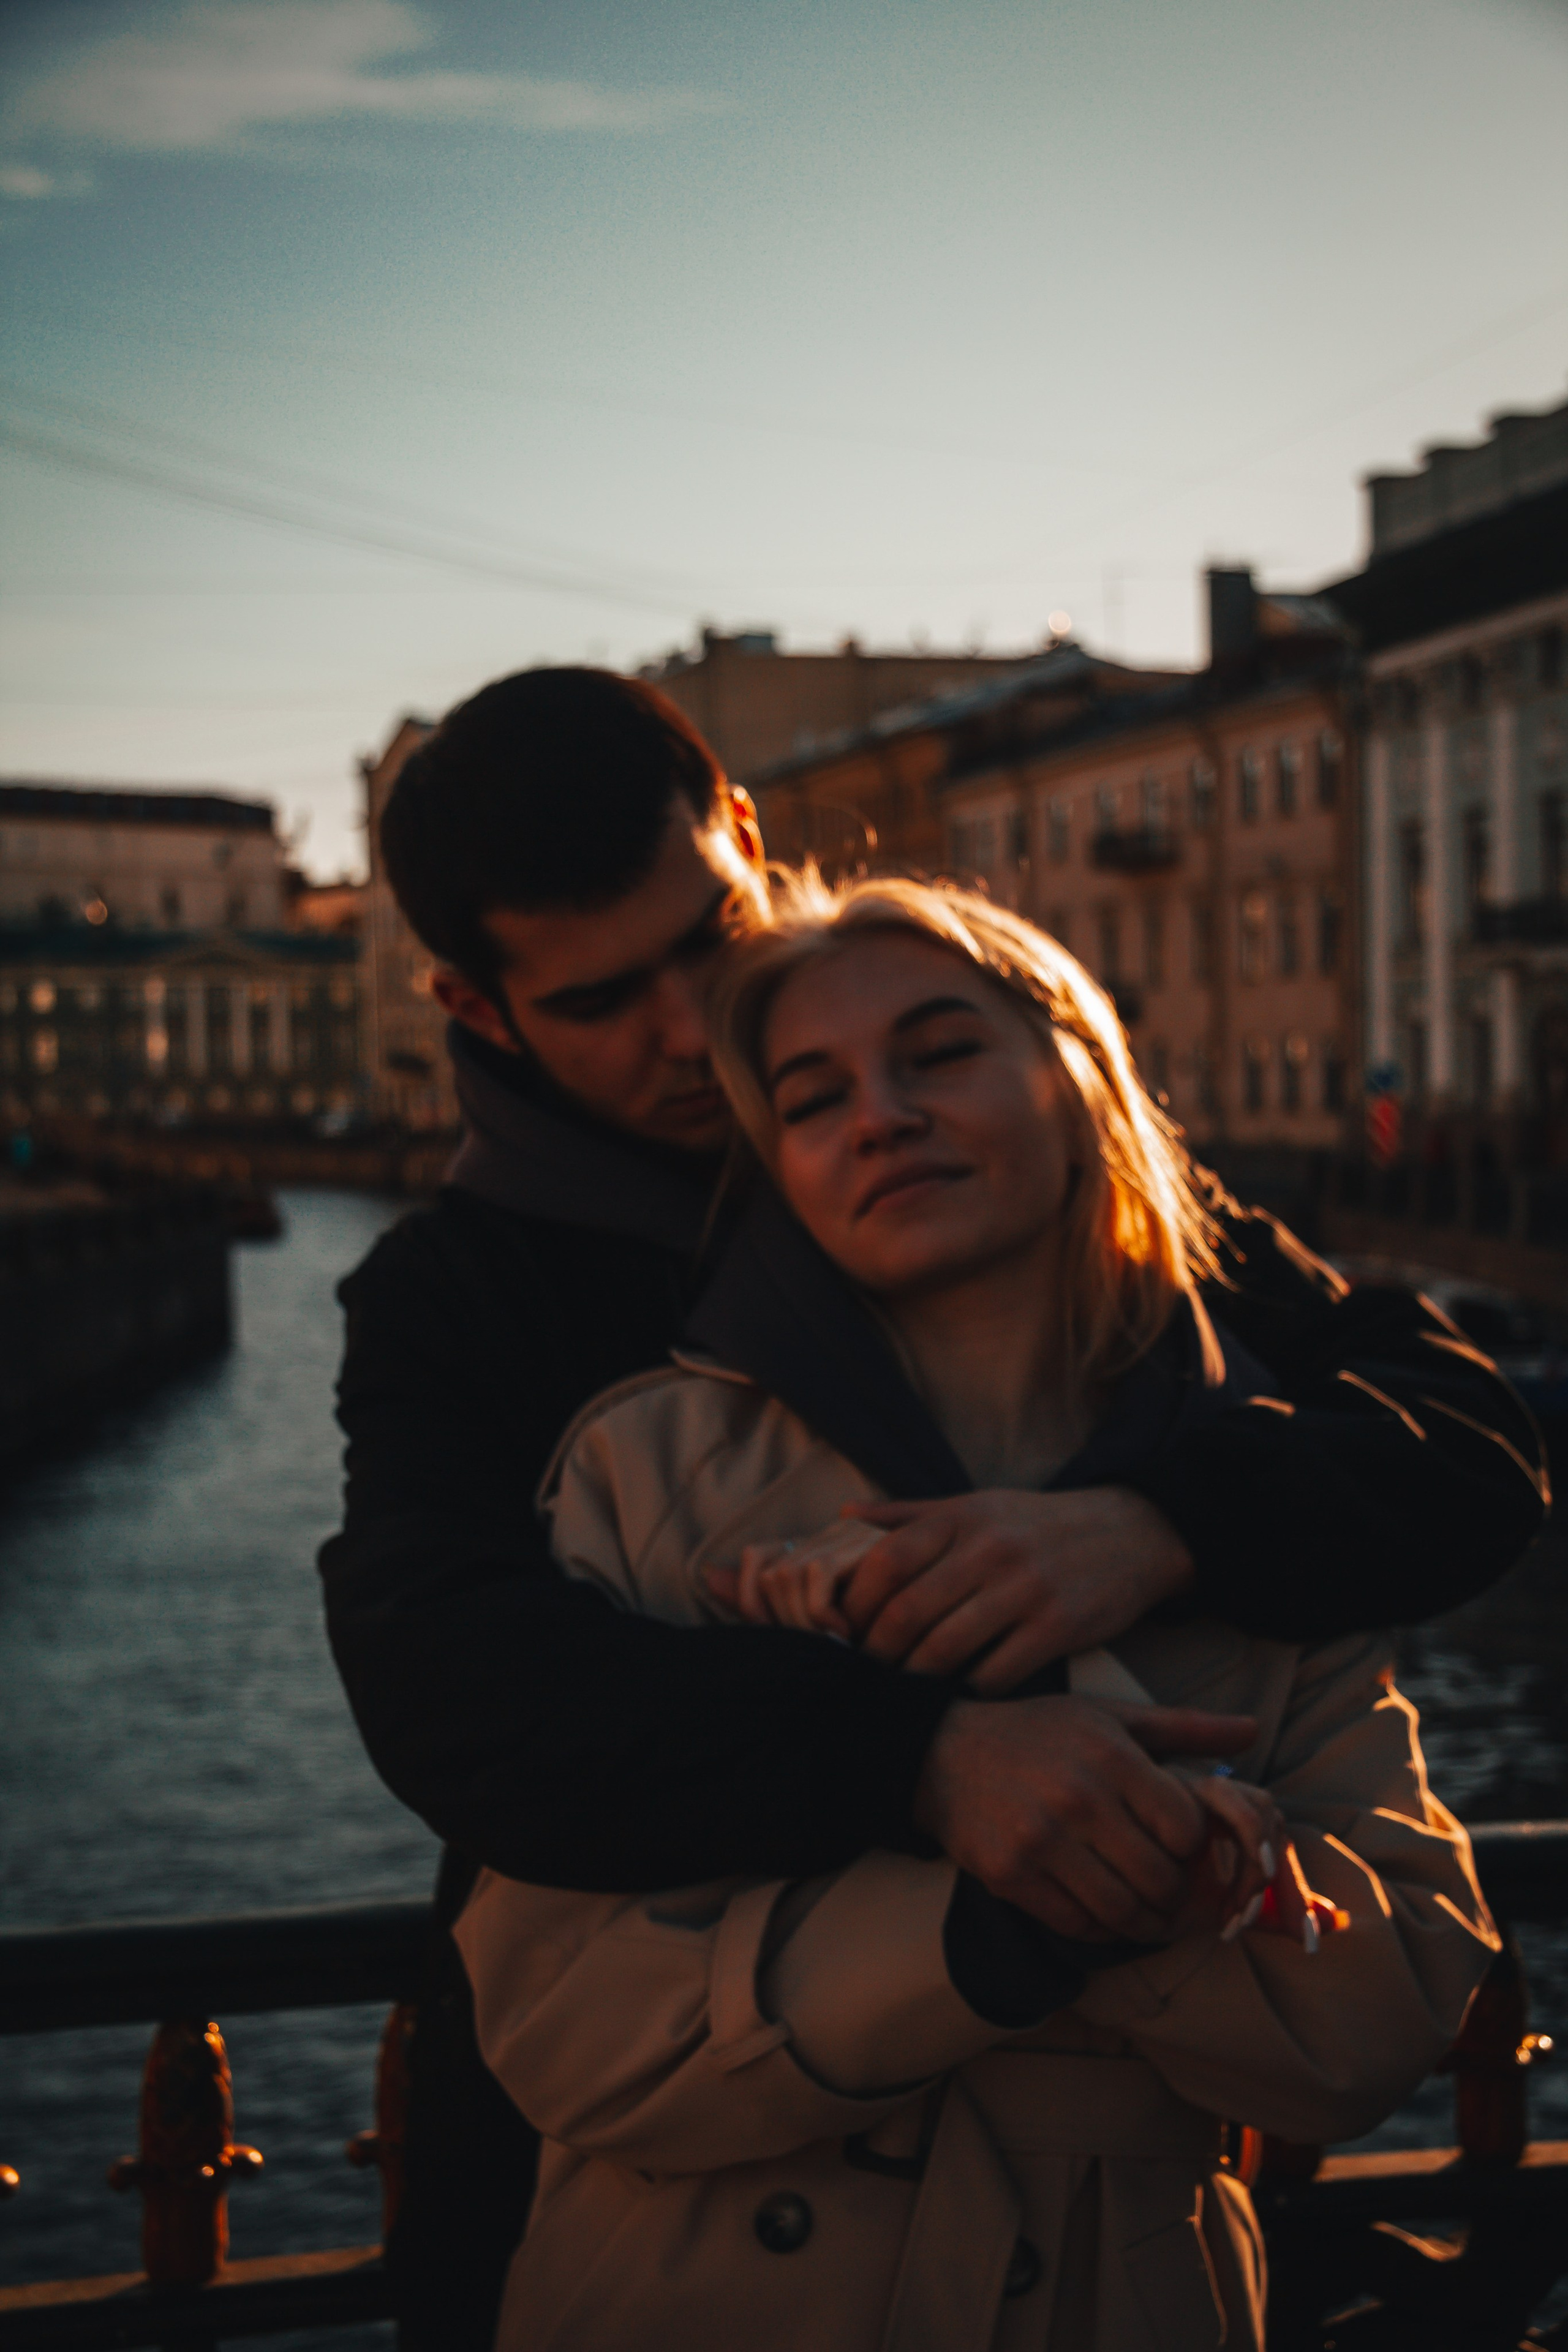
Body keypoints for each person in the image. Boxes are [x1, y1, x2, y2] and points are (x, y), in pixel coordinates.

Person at [320, 667, 1544, 2343]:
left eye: (710, 934)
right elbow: (452, 1689)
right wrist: (920, 1756)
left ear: (745, 832)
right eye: (603, 999)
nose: (690, 1028)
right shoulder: (464, 1297)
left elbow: (1467, 1440)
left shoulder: (1034, 1173)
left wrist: (1162, 1522)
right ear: (475, 1008)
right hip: (638, 2175)